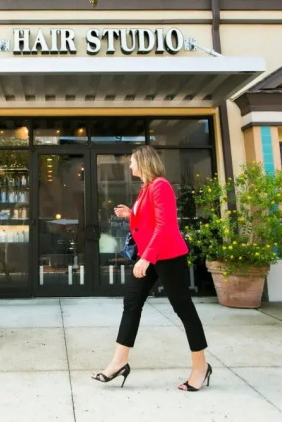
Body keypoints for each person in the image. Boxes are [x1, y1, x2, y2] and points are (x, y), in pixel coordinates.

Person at [92, 145, 211, 392]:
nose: (130, 166)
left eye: (132, 161)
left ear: (144, 162)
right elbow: (148, 220)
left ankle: (201, 367)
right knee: (131, 303)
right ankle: (119, 362)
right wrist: (131, 214)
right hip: (149, 255)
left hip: (167, 257)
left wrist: (145, 258)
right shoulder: (146, 188)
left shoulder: (161, 186)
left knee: (183, 309)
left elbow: (165, 226)